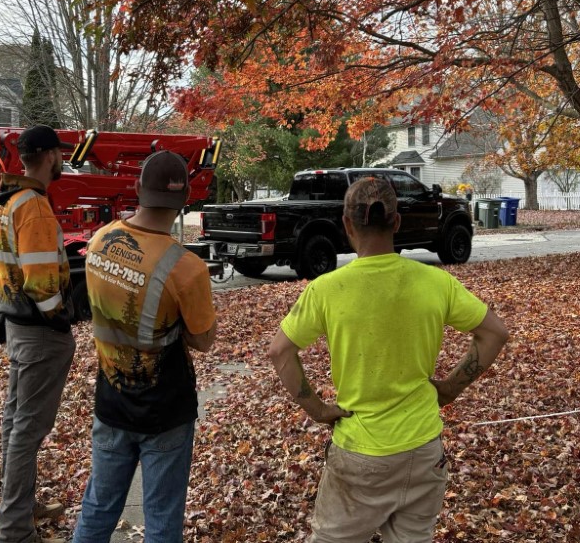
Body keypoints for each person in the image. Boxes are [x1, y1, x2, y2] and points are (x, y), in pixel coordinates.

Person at [269, 177, 509, 543]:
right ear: (396, 223)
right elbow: (494, 333)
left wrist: (317, 410)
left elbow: (280, 351)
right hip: (423, 450)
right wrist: (448, 389)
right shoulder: (436, 283)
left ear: (347, 225)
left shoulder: (326, 289)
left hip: (359, 455)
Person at [72, 150, 217, 543]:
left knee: (98, 509)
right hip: (165, 411)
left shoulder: (100, 241)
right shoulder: (187, 268)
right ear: (185, 199)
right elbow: (204, 341)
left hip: (111, 402)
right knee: (162, 522)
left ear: (137, 188)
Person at [0, 124, 78, 543]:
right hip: (41, 333)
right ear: (49, 156)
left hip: (18, 327)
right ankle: (14, 530)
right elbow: (41, 282)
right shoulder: (35, 207)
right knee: (27, 429)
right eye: (60, 154)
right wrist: (61, 318)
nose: (62, 160)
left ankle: (20, 509)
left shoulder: (9, 201)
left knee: (15, 423)